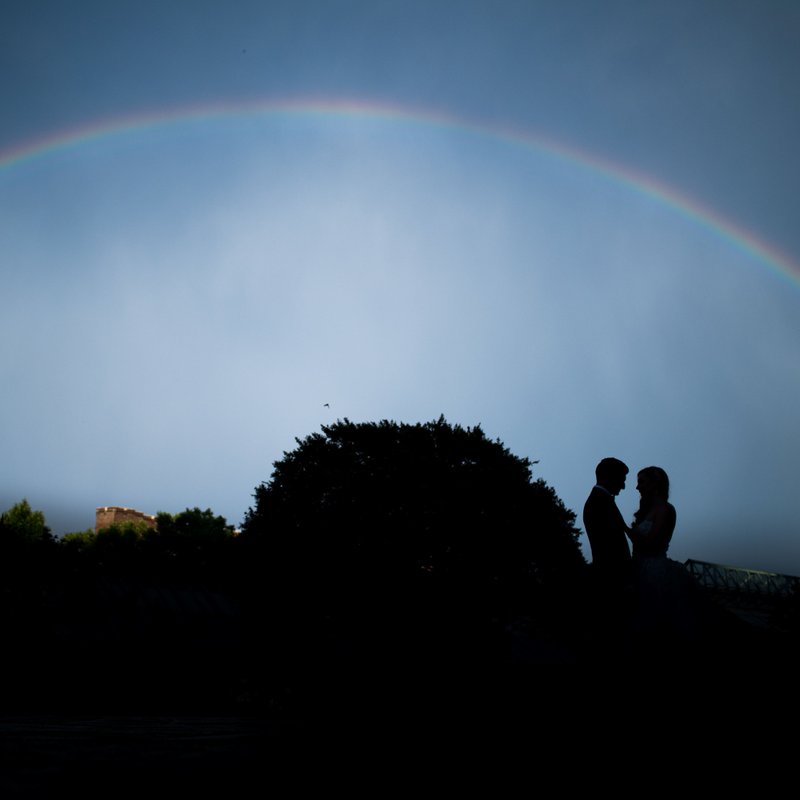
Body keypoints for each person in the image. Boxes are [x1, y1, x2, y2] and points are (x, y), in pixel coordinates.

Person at [583, 457, 632, 587]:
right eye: (621, 479)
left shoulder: (602, 500)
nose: (623, 486)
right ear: (608, 476)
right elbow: (610, 546)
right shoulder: (598, 503)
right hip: (612, 580)